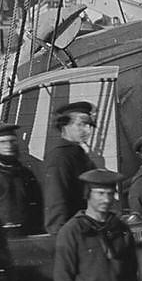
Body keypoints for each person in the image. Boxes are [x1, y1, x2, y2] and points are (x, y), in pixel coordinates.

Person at [44, 100, 97, 234]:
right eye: (81, 124)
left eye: (89, 125)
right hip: (71, 232)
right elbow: (56, 198)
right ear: (65, 126)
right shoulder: (60, 157)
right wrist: (60, 235)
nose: (87, 130)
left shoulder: (78, 154)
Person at [0, 122, 43, 235]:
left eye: (12, 141)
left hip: (27, 235)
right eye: (3, 142)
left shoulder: (26, 174)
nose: (9, 146)